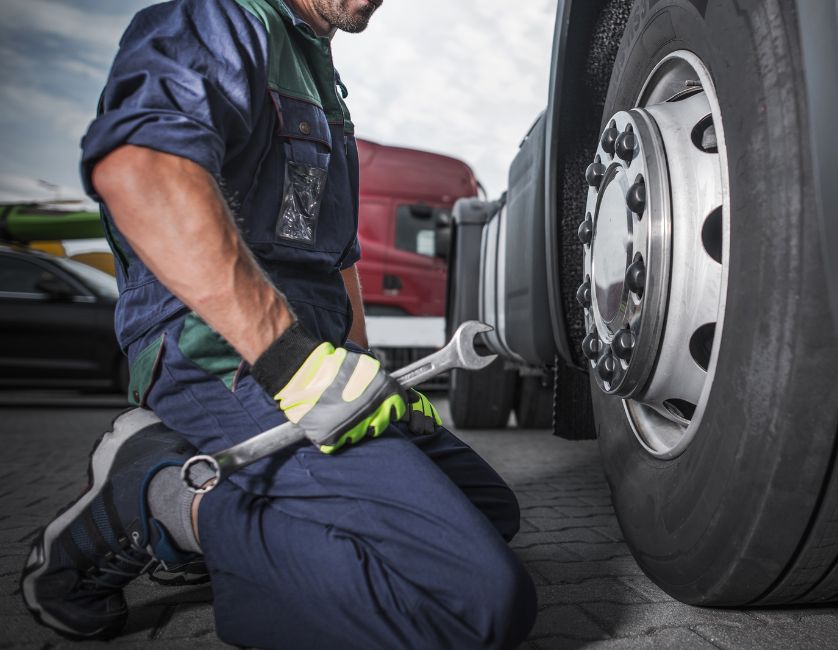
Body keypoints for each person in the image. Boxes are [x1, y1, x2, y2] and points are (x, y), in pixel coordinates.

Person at [20, 0, 537, 647]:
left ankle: (233, 511)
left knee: (489, 512)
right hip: (220, 357)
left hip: (305, 361)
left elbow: (336, 262)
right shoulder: (220, 19)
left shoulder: (322, 78)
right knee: (475, 604)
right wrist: (291, 362)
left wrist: (364, 373)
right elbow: (140, 168)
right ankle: (161, 502)